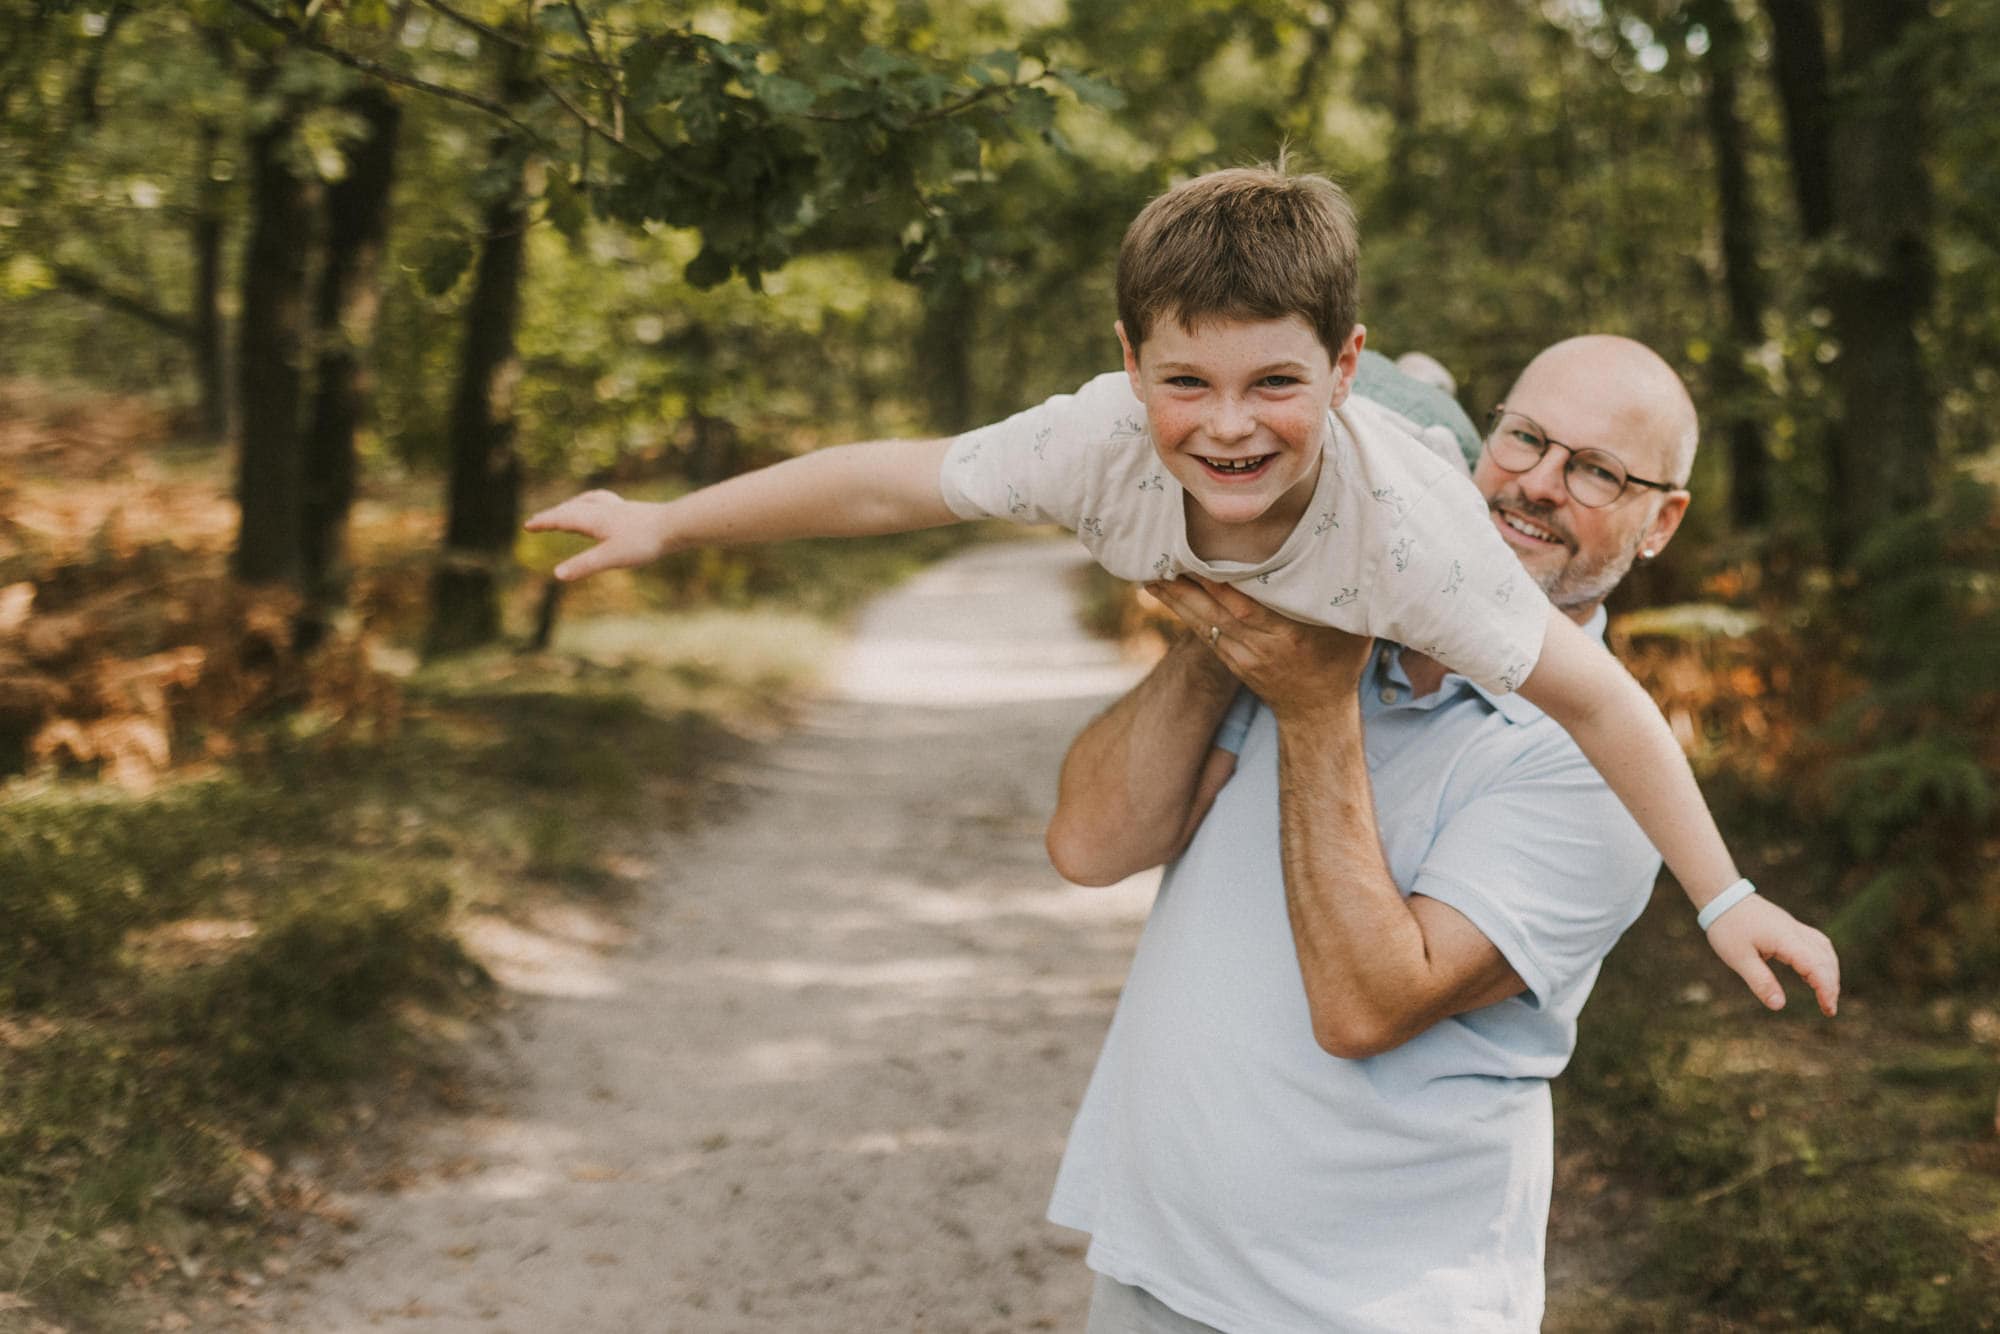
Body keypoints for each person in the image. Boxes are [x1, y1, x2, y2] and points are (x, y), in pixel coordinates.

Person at [523, 163, 1837, 1007]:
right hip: (1325, 465)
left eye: (1275, 378)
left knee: (1416, 428)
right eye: (1185, 383)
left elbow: (1607, 704)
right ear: (1129, 364)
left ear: (1331, 360)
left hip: (1393, 462)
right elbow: (892, 482)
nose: (1224, 427)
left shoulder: (1423, 548)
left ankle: (1417, 391)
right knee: (1293, 440)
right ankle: (1401, 393)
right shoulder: (1095, 437)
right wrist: (667, 524)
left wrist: (1726, 895)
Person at [1040, 336, 1835, 1332]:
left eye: (1594, 470)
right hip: (1154, 1262)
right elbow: (1086, 845)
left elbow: (1365, 1006)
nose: (1538, 482)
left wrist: (1312, 702)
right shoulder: (1324, 624)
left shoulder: (1591, 768)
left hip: (1369, 1305)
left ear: (1658, 520)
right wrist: (1236, 621)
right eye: (1525, 438)